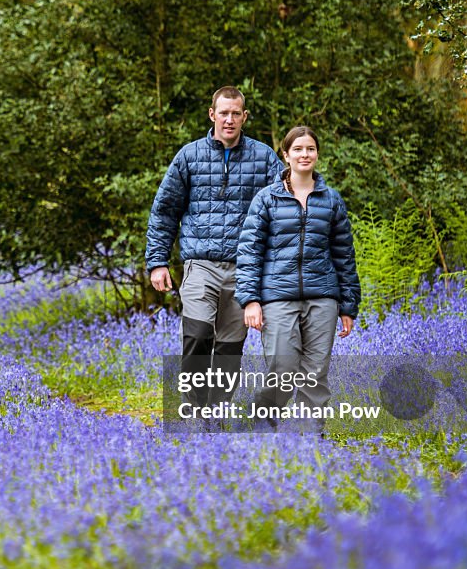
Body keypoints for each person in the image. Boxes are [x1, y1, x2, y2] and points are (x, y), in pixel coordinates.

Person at [146, 86, 282, 410]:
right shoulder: (189, 156)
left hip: (245, 270)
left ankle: (214, 414)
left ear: (245, 117)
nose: (230, 119)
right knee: (197, 335)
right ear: (212, 114)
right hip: (200, 264)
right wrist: (157, 262)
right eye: (224, 113)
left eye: (236, 113)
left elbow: (283, 213)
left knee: (230, 347)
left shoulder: (264, 158)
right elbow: (165, 211)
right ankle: (194, 410)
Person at [235, 125, 361, 431]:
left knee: (314, 373)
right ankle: (262, 420)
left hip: (323, 298)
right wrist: (250, 300)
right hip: (277, 297)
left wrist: (348, 306)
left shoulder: (331, 201)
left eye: (311, 149)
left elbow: (344, 255)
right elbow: (249, 251)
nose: (305, 154)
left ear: (317, 154)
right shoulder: (266, 199)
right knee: (283, 368)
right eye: (298, 149)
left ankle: (309, 441)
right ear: (286, 155)